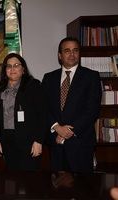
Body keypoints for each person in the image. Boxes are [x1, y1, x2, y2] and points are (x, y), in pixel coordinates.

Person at [41, 37, 102, 173]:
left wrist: (67, 132)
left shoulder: (91, 76)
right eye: (67, 51)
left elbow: (92, 110)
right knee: (57, 189)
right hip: (55, 143)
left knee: (82, 189)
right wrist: (57, 128)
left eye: (75, 50)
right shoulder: (49, 78)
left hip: (81, 144)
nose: (72, 54)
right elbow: (43, 108)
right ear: (60, 55)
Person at [0, 53, 45, 171]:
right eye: (9, 66)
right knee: (11, 180)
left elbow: (42, 115)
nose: (12, 69)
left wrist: (39, 141)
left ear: (23, 69)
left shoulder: (33, 86)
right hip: (6, 141)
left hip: (29, 142)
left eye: (16, 65)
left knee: (28, 182)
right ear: (5, 70)